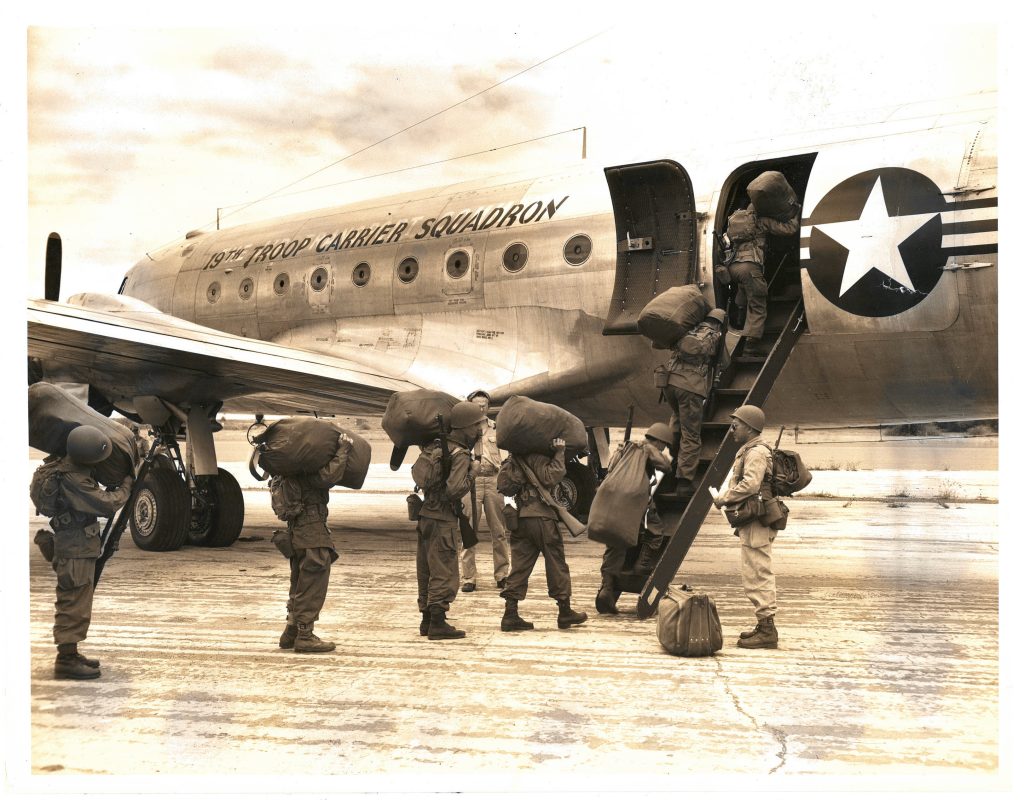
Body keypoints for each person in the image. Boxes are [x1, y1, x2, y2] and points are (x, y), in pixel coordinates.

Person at [30, 425, 133, 680]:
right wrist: (127, 487)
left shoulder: (69, 467)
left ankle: (71, 653)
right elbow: (107, 504)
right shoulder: (74, 479)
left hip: (76, 543)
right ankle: (65, 659)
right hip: (75, 547)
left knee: (77, 599)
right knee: (73, 601)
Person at [270, 433, 354, 654]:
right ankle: (305, 635)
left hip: (296, 532)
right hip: (312, 530)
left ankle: (290, 631)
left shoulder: (286, 473)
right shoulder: (307, 474)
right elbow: (330, 476)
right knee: (312, 584)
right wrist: (343, 449)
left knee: (298, 582)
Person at [411, 401, 486, 640]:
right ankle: (438, 622)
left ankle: (426, 619)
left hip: (426, 516)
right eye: (476, 426)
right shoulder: (460, 454)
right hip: (443, 518)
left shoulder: (435, 448)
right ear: (465, 427)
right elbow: (454, 490)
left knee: (426, 569)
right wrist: (473, 472)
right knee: (444, 569)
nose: (479, 431)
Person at [496, 437, 587, 632]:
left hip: (522, 518)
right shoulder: (537, 457)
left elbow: (504, 486)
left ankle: (510, 614)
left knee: (519, 567)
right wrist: (560, 453)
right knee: (556, 563)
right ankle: (564, 612)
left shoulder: (513, 460)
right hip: (543, 518)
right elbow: (552, 477)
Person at [711, 404, 779, 649]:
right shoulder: (750, 449)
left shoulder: (756, 452)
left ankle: (768, 630)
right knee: (753, 571)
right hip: (753, 520)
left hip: (757, 521)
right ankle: (763, 625)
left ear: (749, 428)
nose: (732, 429)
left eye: (736, 424)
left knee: (758, 572)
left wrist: (724, 498)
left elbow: (750, 485)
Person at [595, 423, 673, 615]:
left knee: (616, 543)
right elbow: (665, 467)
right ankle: (642, 564)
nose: (664, 448)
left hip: (612, 499)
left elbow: (611, 468)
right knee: (656, 531)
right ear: (659, 440)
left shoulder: (624, 447)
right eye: (664, 445)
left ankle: (607, 586)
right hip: (634, 500)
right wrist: (658, 453)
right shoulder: (648, 448)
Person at [663, 308, 727, 489]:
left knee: (677, 423)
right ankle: (684, 481)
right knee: (691, 434)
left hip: (669, 383)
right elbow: (725, 363)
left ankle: (671, 462)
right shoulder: (714, 335)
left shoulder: (688, 329)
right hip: (689, 388)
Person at [725, 202, 800, 354]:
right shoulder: (761, 221)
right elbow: (789, 229)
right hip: (750, 267)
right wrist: (796, 214)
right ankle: (750, 345)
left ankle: (740, 316)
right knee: (758, 304)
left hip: (733, 267)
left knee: (744, 287)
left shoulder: (737, 221)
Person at [459, 390, 511, 593]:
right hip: (471, 481)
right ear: (470, 406)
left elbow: (507, 453)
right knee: (468, 531)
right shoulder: (462, 430)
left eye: (484, 405)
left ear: (489, 408)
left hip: (492, 480)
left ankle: (502, 575)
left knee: (498, 531)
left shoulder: (497, 428)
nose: (481, 408)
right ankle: (469, 578)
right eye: (476, 405)